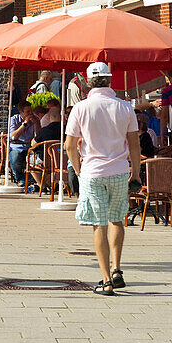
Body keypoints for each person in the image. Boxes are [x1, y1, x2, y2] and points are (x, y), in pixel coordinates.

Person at [65, 62, 141, 296]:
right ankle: (117, 269)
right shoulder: (125, 107)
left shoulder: (81, 108)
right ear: (110, 80)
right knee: (117, 220)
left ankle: (106, 279)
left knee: (99, 225)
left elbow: (69, 145)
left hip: (92, 171)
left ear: (88, 82)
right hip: (118, 170)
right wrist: (135, 173)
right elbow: (135, 144)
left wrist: (79, 171)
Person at [29, 105, 62, 192]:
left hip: (46, 160)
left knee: (29, 159)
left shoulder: (45, 131)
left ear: (49, 117)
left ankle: (42, 186)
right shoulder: (66, 130)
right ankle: (54, 185)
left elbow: (33, 144)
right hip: (62, 160)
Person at [8, 101, 40, 185]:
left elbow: (38, 137)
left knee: (37, 159)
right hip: (17, 147)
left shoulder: (35, 119)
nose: (30, 114)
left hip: (30, 147)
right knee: (15, 159)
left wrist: (36, 124)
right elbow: (13, 136)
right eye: (27, 112)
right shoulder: (14, 119)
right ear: (21, 112)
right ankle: (20, 178)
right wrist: (24, 124)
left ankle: (31, 179)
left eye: (31, 111)